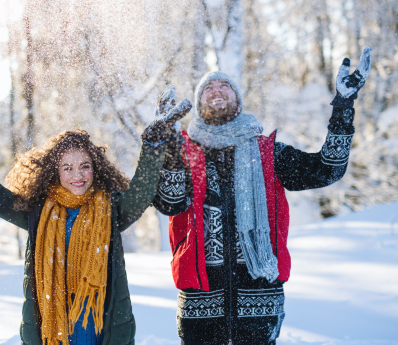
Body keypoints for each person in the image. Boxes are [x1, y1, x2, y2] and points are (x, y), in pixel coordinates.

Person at [0, 97, 190, 345]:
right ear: (55, 172)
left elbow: (141, 191)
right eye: (67, 168)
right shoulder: (38, 212)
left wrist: (154, 142)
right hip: (52, 332)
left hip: (102, 333)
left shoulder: (111, 209)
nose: (77, 175)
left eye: (85, 166)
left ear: (96, 168)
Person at [152, 48, 372, 345]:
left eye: (224, 85)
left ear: (238, 101)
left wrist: (344, 106)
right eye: (208, 88)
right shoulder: (184, 154)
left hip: (259, 299)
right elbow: (170, 201)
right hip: (200, 301)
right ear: (199, 102)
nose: (216, 90)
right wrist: (167, 142)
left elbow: (327, 170)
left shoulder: (269, 154)